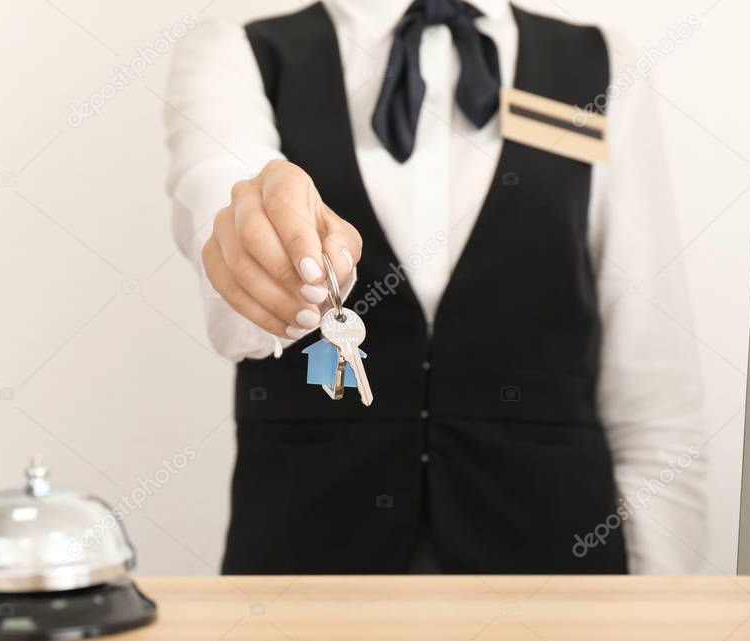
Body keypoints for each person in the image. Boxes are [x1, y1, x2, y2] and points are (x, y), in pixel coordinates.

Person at [164, 0, 707, 575]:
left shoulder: (599, 65)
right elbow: (219, 185)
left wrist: (663, 606)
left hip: (557, 573)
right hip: (307, 572)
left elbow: (655, 386)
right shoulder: (236, 53)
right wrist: (258, 231)